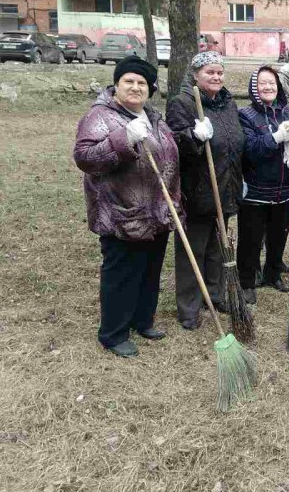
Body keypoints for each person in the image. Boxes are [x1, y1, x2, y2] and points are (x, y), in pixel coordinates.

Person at [73, 56, 181, 357]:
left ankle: (142, 320)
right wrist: (123, 138)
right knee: (122, 274)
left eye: (142, 83)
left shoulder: (153, 117)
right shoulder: (99, 116)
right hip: (121, 213)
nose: (135, 87)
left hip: (156, 212)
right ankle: (113, 333)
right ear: (117, 85)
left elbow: (168, 157)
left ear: (150, 89)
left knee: (149, 270)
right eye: (128, 81)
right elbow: (85, 158)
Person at [166, 52, 243, 329]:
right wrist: (192, 137)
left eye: (220, 72)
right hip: (197, 190)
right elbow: (172, 146)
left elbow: (235, 142)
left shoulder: (227, 104)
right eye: (210, 72)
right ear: (196, 74)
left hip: (226, 187)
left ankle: (214, 293)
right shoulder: (182, 103)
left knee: (217, 248)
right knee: (192, 252)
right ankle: (189, 307)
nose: (216, 77)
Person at [237, 66, 289, 299]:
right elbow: (249, 150)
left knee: (278, 234)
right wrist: (276, 138)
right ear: (255, 88)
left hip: (286, 189)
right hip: (256, 191)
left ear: (278, 85)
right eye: (262, 83)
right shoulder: (246, 115)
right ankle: (247, 280)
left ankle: (273, 273)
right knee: (251, 238)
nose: (268, 87)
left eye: (272, 82)